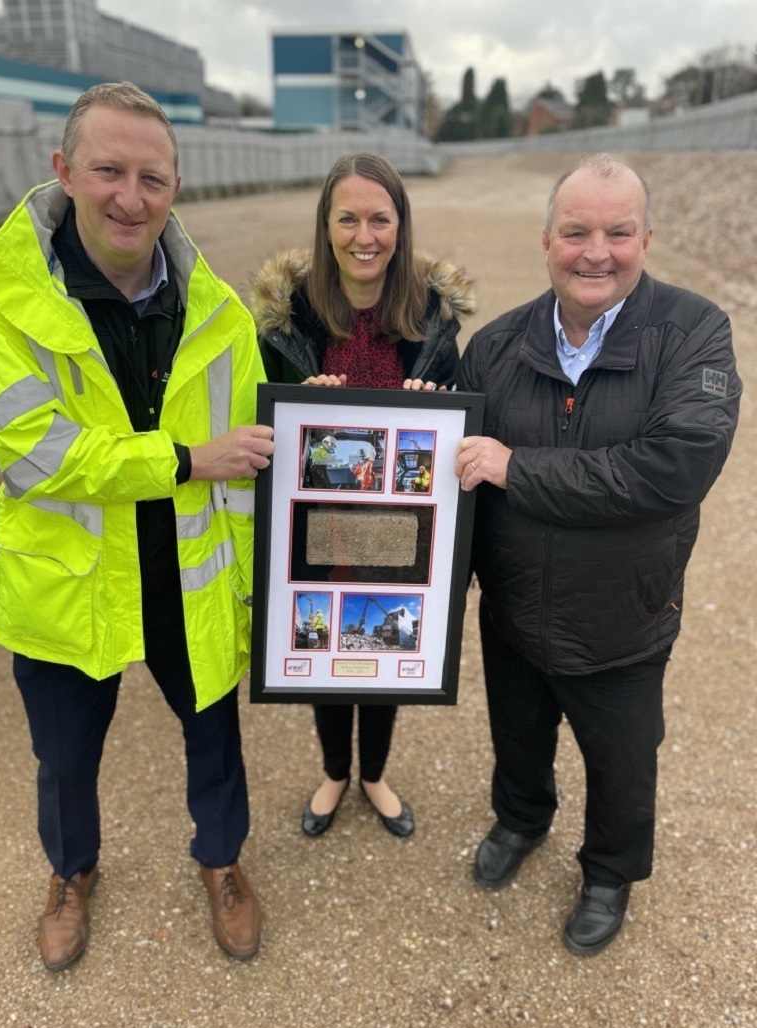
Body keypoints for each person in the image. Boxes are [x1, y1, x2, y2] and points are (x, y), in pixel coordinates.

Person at [0, 82, 275, 970]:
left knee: (214, 729)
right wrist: (181, 460)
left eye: (152, 178)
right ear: (63, 171)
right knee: (63, 755)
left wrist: (256, 589)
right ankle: (70, 871)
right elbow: (34, 452)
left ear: (176, 187)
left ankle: (221, 860)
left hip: (187, 565)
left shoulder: (220, 312)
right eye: (108, 171)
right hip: (69, 569)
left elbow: (249, 461)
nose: (129, 198)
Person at [455, 153, 740, 956]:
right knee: (517, 732)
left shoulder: (694, 331)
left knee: (622, 758)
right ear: (547, 239)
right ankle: (520, 819)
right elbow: (456, 472)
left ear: (646, 237)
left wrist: (519, 466)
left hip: (624, 614)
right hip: (514, 605)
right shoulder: (497, 343)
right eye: (576, 232)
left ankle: (610, 870)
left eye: (618, 232)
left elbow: (673, 468)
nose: (596, 252)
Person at [251, 152, 474, 839]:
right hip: (321, 518)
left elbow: (458, 415)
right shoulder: (289, 316)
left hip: (400, 522)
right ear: (326, 225)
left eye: (380, 219)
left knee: (386, 643)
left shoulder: (432, 315)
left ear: (401, 227)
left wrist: (436, 406)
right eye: (347, 218)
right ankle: (334, 772)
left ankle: (372, 772)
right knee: (322, 639)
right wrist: (297, 407)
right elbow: (262, 424)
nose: (364, 235)